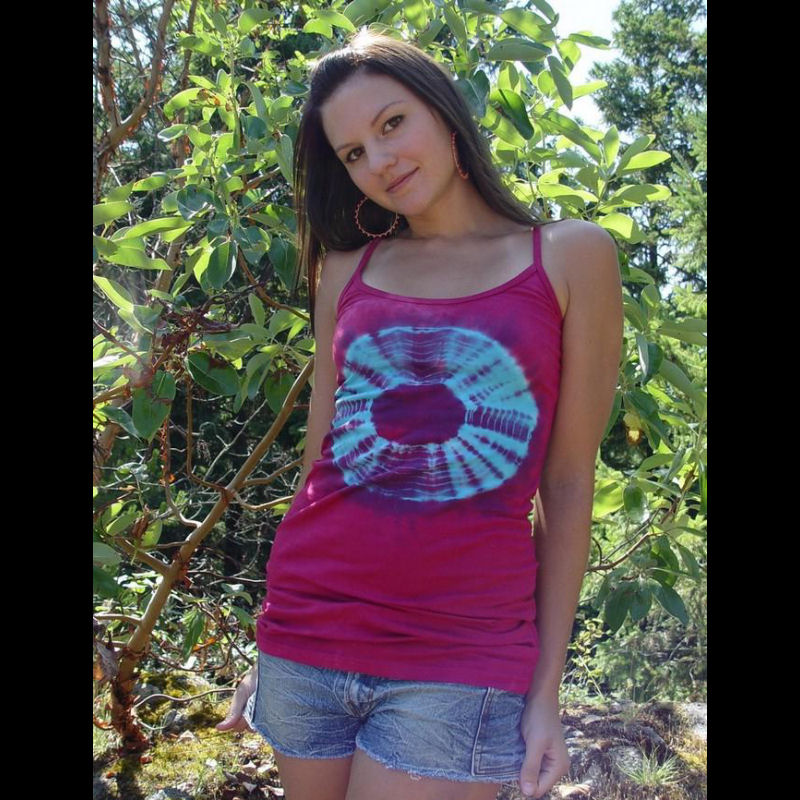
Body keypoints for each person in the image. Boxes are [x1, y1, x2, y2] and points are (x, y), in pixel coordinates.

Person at [217, 28, 623, 800]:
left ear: (443, 110)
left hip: (462, 650)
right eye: (352, 153)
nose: (379, 161)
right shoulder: (347, 269)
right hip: (307, 631)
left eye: (392, 123)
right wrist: (269, 641)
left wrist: (545, 691)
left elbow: (568, 484)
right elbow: (320, 462)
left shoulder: (570, 256)